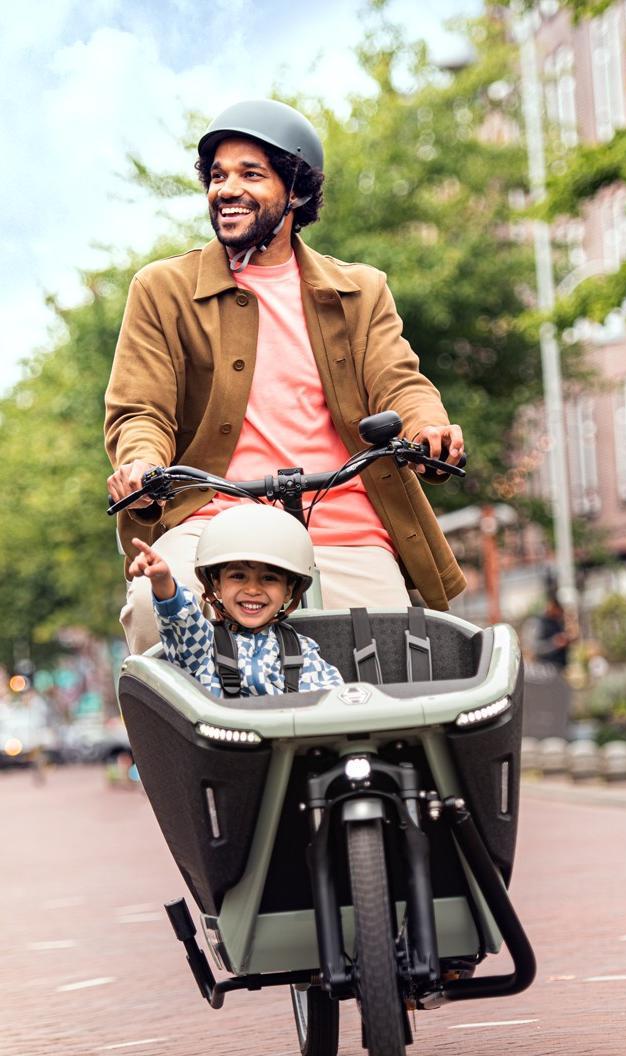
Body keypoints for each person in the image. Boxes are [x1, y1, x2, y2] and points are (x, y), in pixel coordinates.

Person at [106, 99, 465, 654]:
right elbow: (141, 410)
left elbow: (400, 380)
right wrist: (141, 465)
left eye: (251, 174)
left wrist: (427, 427)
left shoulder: (359, 290)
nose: (226, 189)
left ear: (295, 191)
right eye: (218, 175)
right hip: (215, 521)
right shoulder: (162, 289)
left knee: (398, 656)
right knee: (157, 614)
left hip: (344, 523)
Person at [127, 505, 343, 698]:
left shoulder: (302, 650)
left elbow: (331, 702)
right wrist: (162, 580)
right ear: (217, 584)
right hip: (224, 741)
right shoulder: (203, 645)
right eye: (238, 576)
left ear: (288, 591)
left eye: (269, 579)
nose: (252, 589)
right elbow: (181, 620)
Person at [534, 596, 573, 671]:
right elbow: (537, 648)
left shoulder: (557, 622)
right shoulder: (540, 623)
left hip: (560, 666)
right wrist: (554, 643)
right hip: (547, 668)